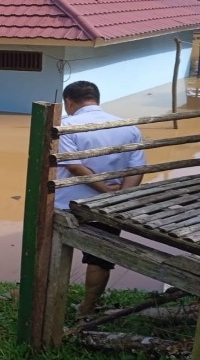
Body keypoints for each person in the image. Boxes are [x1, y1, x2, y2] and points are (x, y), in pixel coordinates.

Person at [56, 80, 145, 318]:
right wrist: (118, 197)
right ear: (97, 99)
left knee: (57, 251)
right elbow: (136, 169)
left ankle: (52, 301)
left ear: (68, 102)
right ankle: (87, 309)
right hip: (109, 208)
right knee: (100, 258)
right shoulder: (127, 126)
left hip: (68, 205)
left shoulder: (65, 125)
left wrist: (104, 190)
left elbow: (74, 166)